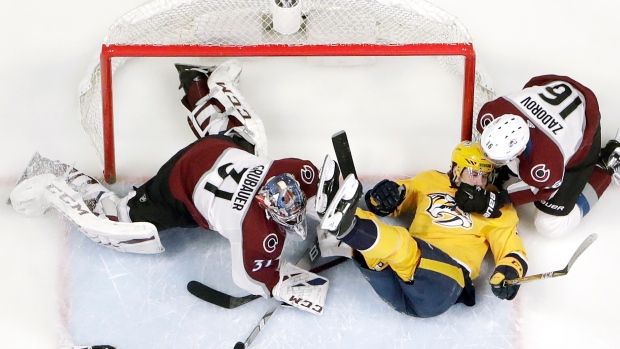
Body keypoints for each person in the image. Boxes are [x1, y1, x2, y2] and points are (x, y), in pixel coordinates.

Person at [9, 59, 335, 315]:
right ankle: (51, 179)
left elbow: (321, 182)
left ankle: (201, 84)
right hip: (178, 185)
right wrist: (277, 285)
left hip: (215, 152)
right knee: (123, 222)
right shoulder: (260, 232)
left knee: (245, 138)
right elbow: (250, 279)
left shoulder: (290, 169)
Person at [318, 141, 528, 318]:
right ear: (457, 169)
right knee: (382, 240)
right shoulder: (431, 180)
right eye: (474, 173)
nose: (480, 182)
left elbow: (512, 250)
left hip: (442, 286)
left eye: (485, 176)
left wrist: (510, 270)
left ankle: (346, 228)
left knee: (402, 243)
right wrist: (382, 197)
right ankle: (333, 216)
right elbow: (399, 196)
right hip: (397, 275)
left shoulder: (500, 208)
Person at [453, 75, 620, 237]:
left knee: (549, 225)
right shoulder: (489, 115)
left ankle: (608, 165)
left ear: (519, 152)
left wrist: (497, 199)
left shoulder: (545, 165)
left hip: (584, 120)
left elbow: (542, 190)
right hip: (554, 86)